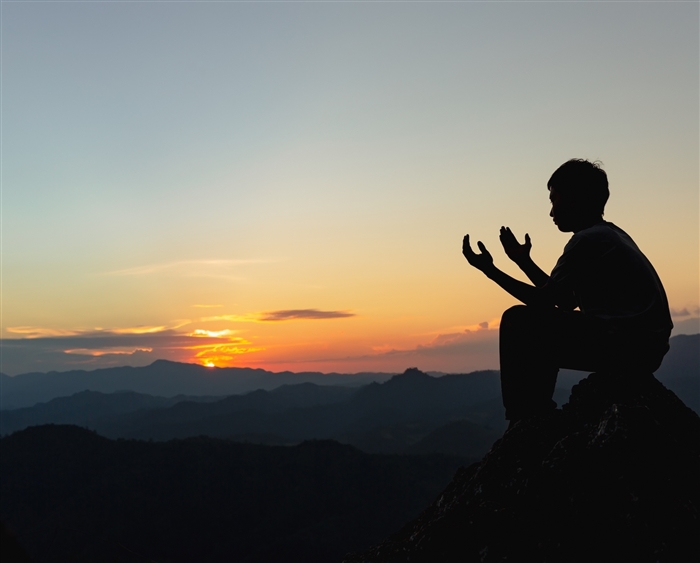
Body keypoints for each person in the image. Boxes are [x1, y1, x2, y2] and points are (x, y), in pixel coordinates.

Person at [462, 159, 672, 423]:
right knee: (537, 324)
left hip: (626, 346)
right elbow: (563, 299)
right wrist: (522, 261)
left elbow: (545, 301)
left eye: (554, 200)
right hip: (644, 348)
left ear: (575, 199)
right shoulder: (609, 235)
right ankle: (533, 415)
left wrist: (490, 271)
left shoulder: (587, 240)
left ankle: (526, 419)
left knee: (518, 320)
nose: (551, 212)